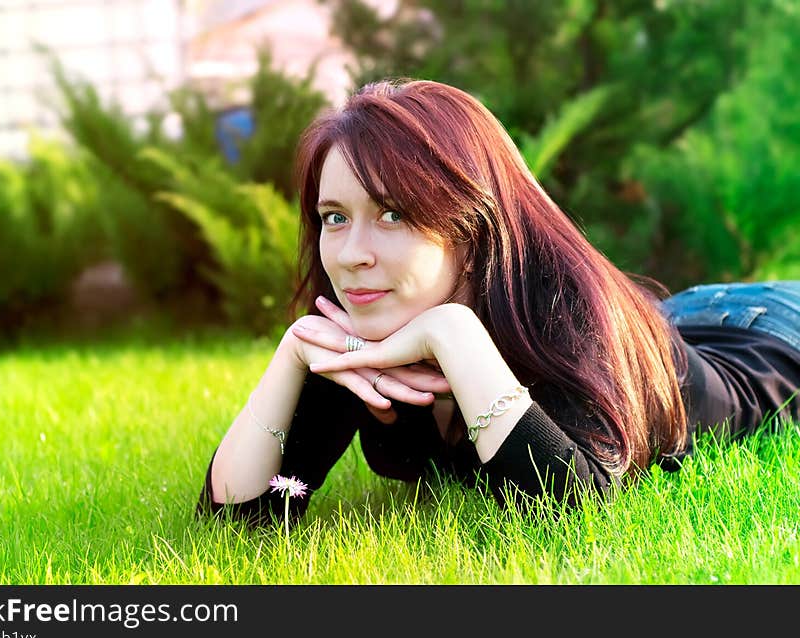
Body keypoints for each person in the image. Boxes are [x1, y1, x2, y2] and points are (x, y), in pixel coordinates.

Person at [196, 78, 800, 526]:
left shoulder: (563, 320)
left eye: (392, 214)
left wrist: (454, 334)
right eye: (334, 217)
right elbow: (247, 516)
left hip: (768, 331)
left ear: (471, 222)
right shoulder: (363, 326)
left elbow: (578, 506)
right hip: (675, 319)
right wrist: (294, 354)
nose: (352, 253)